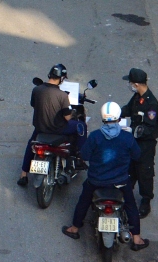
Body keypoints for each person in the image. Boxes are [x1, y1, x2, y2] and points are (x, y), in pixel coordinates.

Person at [62, 100, 149, 251]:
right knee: (130, 205)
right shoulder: (127, 137)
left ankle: (75, 228)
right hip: (120, 181)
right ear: (119, 118)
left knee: (83, 201)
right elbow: (137, 155)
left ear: (103, 118)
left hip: (96, 181)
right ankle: (136, 238)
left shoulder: (95, 136)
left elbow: (85, 155)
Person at [18, 64, 84, 185]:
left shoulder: (36, 90)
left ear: (50, 75)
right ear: (62, 79)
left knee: (31, 144)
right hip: (58, 129)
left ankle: (23, 174)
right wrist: (74, 115)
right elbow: (67, 117)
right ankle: (80, 156)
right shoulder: (63, 96)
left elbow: (34, 105)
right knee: (81, 126)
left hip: (40, 127)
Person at [119, 68, 158, 219]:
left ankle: (146, 200)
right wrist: (116, 113)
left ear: (136, 84)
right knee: (130, 167)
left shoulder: (151, 104)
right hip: (134, 141)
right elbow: (129, 109)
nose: (129, 85)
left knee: (145, 172)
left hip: (146, 145)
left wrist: (133, 129)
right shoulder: (137, 97)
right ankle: (126, 191)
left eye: (130, 83)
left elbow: (150, 128)